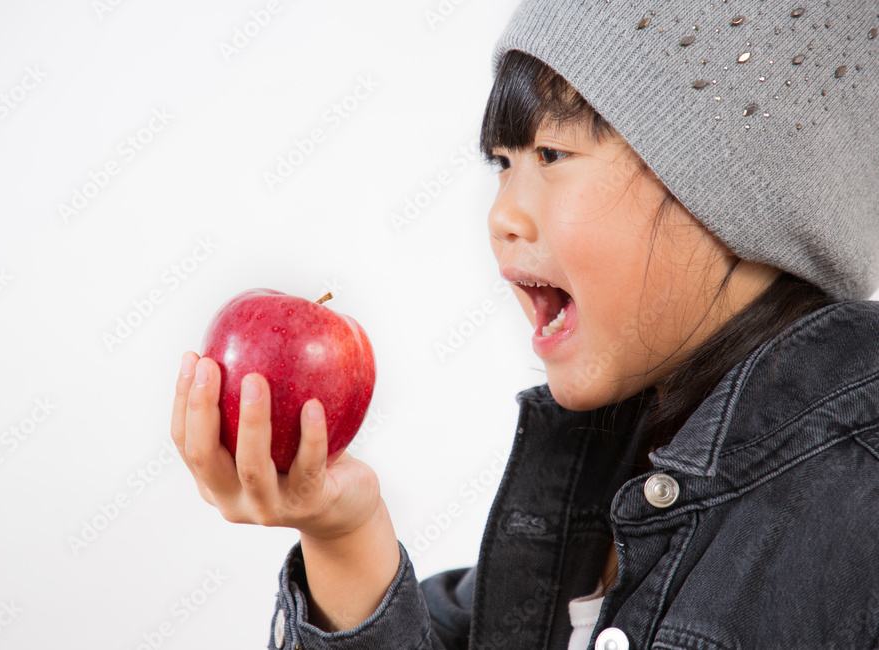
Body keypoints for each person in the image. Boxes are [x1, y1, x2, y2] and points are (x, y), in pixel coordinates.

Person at [170, 0, 879, 647]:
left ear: (736, 189)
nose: (502, 215)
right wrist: (340, 531)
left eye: (552, 154)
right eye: (503, 163)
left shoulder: (858, 505)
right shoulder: (602, 476)